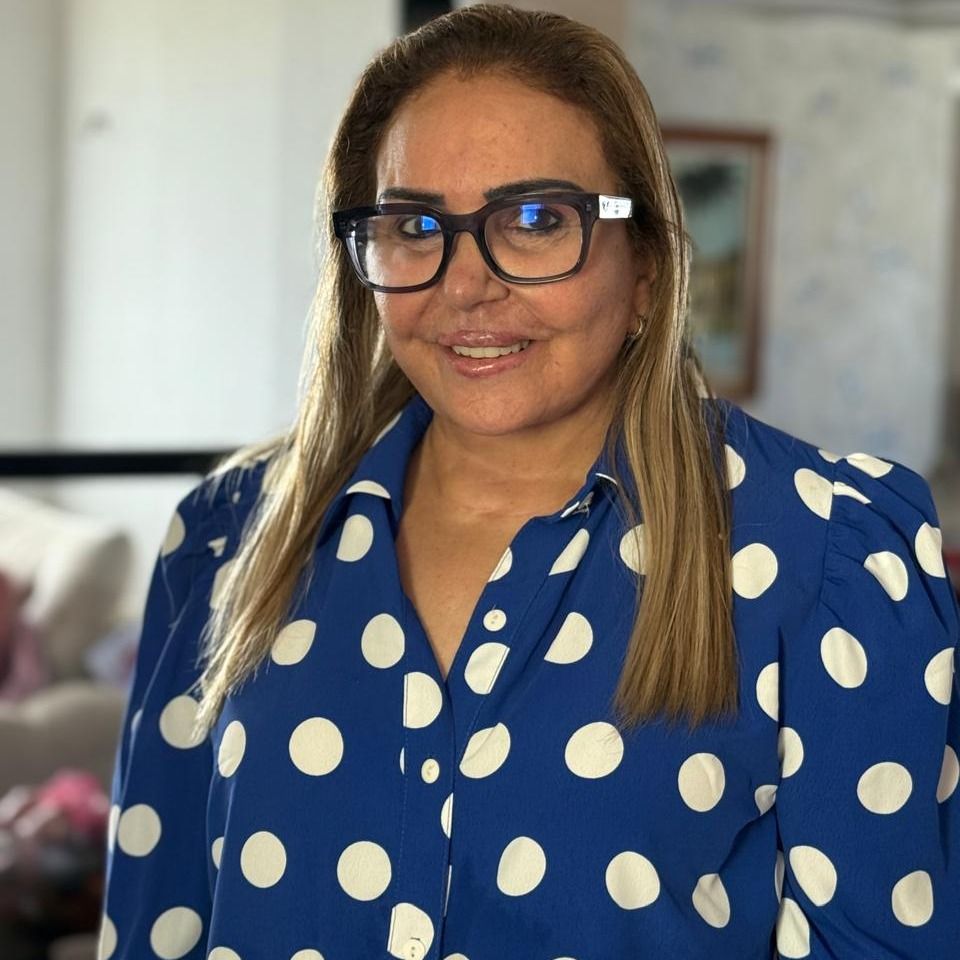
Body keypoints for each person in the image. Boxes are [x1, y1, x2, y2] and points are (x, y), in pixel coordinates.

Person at [97, 5, 960, 959]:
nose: (466, 285)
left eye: (538, 220)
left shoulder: (829, 556)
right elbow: (156, 927)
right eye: (414, 225)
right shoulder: (230, 538)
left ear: (646, 267)